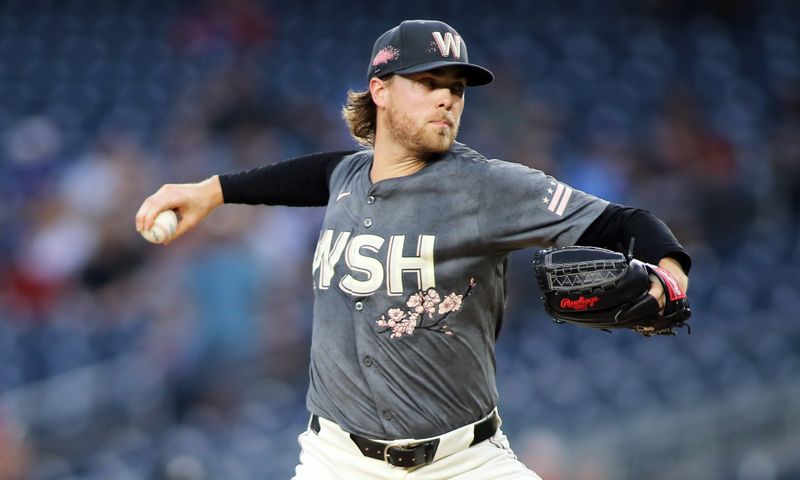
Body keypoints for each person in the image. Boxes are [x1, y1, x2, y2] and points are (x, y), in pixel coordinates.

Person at [136, 19, 690, 479]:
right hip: (337, 462)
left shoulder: (487, 187)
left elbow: (622, 220)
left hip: (463, 462)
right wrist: (209, 192)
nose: (447, 97)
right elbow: (303, 176)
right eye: (428, 81)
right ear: (380, 90)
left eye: (457, 87)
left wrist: (669, 271)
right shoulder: (348, 175)